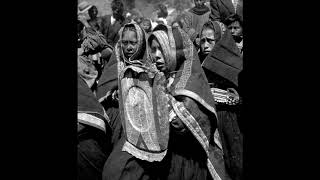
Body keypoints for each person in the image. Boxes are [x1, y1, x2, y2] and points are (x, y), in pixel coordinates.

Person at [148, 24, 231, 180]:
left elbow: (180, 125)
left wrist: (158, 94)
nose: (156, 55)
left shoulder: (191, 83)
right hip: (168, 158)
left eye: (162, 49)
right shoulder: (164, 77)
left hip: (189, 162)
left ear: (177, 53)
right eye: (153, 49)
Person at [98, 22, 169, 180]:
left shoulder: (151, 66)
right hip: (117, 122)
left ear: (142, 42)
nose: (128, 47)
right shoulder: (116, 64)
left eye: (133, 43)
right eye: (124, 43)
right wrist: (114, 93)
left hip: (143, 126)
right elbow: (103, 90)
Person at [199, 20, 243, 180]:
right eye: (202, 40)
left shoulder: (237, 65)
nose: (205, 45)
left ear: (220, 41)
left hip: (232, 123)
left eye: (210, 40)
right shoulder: (198, 64)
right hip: (209, 123)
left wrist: (238, 99)